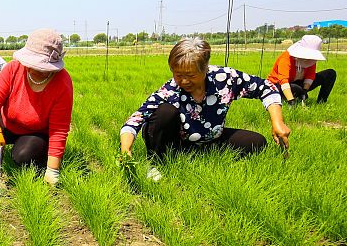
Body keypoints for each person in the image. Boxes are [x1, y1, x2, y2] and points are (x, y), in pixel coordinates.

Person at [120, 37, 289, 167]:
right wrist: (126, 149)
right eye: (178, 75)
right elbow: (136, 119)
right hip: (179, 141)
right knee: (164, 112)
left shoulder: (225, 79)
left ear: (205, 69)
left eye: (191, 76)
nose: (184, 81)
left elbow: (266, 87)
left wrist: (277, 121)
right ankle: (157, 163)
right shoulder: (170, 90)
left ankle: (201, 156)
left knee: (256, 142)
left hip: (211, 137)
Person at [0, 28, 73, 185]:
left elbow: (59, 129)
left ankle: (31, 153)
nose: (31, 69)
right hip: (8, 122)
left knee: (22, 157)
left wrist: (52, 170)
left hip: (36, 132)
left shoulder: (62, 82)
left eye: (40, 67)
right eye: (30, 63)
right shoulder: (13, 68)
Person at [267, 34, 337, 105]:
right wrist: (291, 100)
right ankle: (290, 97)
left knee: (330, 73)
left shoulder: (311, 60)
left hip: (298, 83)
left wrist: (304, 90)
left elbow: (310, 75)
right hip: (278, 85)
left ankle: (321, 102)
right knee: (296, 88)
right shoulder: (285, 58)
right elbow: (283, 80)